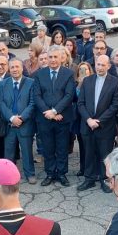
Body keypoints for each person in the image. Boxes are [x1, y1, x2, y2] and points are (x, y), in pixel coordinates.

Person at [77, 55, 118, 193]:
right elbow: (81, 103)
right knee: (88, 153)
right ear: (95, 65)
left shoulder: (115, 83)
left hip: (105, 126)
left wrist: (99, 121)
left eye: (103, 65)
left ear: (109, 66)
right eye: (98, 64)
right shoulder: (87, 81)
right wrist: (88, 120)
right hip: (87, 125)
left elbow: (115, 106)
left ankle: (105, 179)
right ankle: (89, 179)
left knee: (105, 155)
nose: (100, 67)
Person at [35, 46, 76, 187]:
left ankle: (62, 173)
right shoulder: (40, 74)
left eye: (55, 57)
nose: (52, 60)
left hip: (62, 118)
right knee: (48, 147)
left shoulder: (69, 74)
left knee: (62, 147)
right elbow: (37, 96)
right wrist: (49, 113)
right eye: (50, 57)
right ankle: (50, 173)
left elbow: (69, 95)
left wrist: (55, 111)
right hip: (45, 118)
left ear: (61, 58)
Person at [0, 59, 37, 183]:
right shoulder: (3, 84)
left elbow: (32, 103)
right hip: (10, 124)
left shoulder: (31, 83)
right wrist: (12, 118)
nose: (14, 69)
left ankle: (30, 174)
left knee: (27, 152)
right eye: (12, 67)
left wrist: (22, 118)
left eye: (17, 67)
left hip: (25, 124)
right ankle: (9, 176)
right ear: (9, 69)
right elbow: (1, 103)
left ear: (21, 68)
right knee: (8, 152)